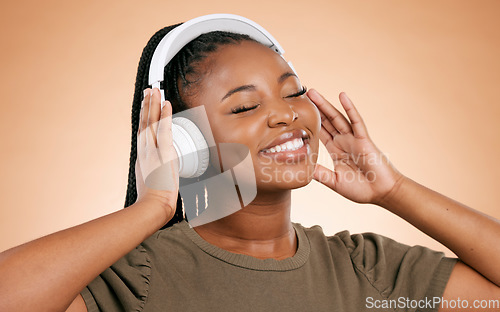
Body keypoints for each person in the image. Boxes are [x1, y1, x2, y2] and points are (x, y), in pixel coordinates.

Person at [1, 16, 499, 312]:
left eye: (293, 92)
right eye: (245, 106)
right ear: (184, 140)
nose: (286, 114)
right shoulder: (139, 276)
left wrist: (395, 191)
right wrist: (152, 206)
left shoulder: (368, 271)